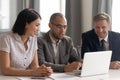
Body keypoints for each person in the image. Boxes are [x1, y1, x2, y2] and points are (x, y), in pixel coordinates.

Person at [0, 8, 53, 76]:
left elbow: (34, 66)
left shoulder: (33, 39)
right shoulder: (6, 39)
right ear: (26, 24)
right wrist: (31, 72)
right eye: (36, 25)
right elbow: (6, 69)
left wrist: (43, 71)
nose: (38, 29)